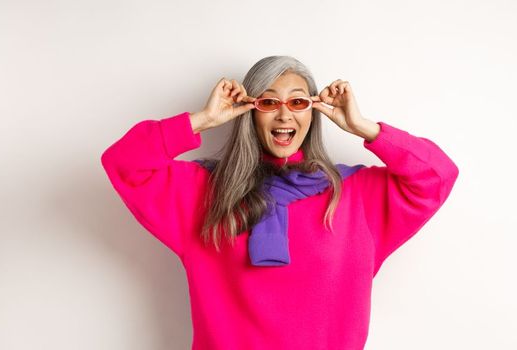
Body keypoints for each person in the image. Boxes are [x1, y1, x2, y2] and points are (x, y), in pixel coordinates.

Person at [100, 55, 459, 349]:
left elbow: (438, 176)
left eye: (298, 102)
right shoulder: (205, 193)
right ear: (249, 111)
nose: (284, 114)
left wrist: (365, 127)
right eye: (269, 101)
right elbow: (124, 163)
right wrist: (203, 120)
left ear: (313, 112)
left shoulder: (354, 195)